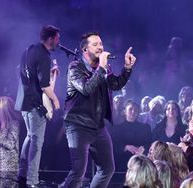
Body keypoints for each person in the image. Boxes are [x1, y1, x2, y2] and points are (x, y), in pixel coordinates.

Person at [61, 32, 136, 188]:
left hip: (97, 126)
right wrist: (101, 67)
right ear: (85, 50)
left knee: (107, 168)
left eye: (101, 44)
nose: (100, 47)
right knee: (78, 171)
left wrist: (127, 68)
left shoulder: (104, 67)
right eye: (95, 44)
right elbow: (87, 88)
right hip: (78, 124)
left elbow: (115, 84)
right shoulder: (75, 67)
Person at [14, 25, 60, 187]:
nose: (58, 41)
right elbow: (45, 86)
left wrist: (50, 72)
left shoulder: (29, 50)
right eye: (57, 38)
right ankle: (31, 180)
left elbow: (29, 74)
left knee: (30, 136)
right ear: (50, 39)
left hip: (24, 101)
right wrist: (55, 100)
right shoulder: (44, 56)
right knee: (37, 141)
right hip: (35, 104)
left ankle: (22, 173)